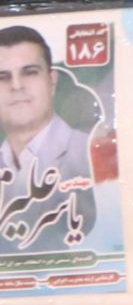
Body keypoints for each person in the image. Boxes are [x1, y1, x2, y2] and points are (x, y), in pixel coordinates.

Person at [0, 27, 111, 256]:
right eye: (2, 77)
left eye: (30, 72)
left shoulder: (91, 155)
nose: (16, 86)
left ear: (51, 81)